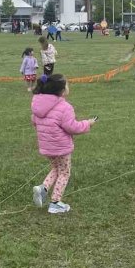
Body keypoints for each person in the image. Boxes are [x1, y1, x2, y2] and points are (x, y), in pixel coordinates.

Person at [30, 73, 96, 215]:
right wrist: (87, 123)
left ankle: (43, 189)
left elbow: (34, 122)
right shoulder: (64, 107)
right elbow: (72, 127)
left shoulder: (37, 104)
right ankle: (55, 203)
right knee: (64, 172)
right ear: (61, 90)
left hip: (47, 146)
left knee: (56, 168)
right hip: (61, 148)